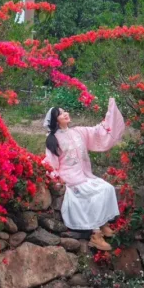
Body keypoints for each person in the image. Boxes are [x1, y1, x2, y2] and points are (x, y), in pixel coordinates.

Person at [43, 97, 126, 253]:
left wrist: (110, 112)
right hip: (71, 179)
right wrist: (56, 179)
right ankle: (96, 235)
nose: (65, 114)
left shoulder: (78, 132)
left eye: (64, 111)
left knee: (107, 188)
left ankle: (104, 224)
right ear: (55, 121)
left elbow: (98, 131)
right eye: (60, 114)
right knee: (91, 195)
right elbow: (50, 162)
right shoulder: (52, 139)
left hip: (85, 175)